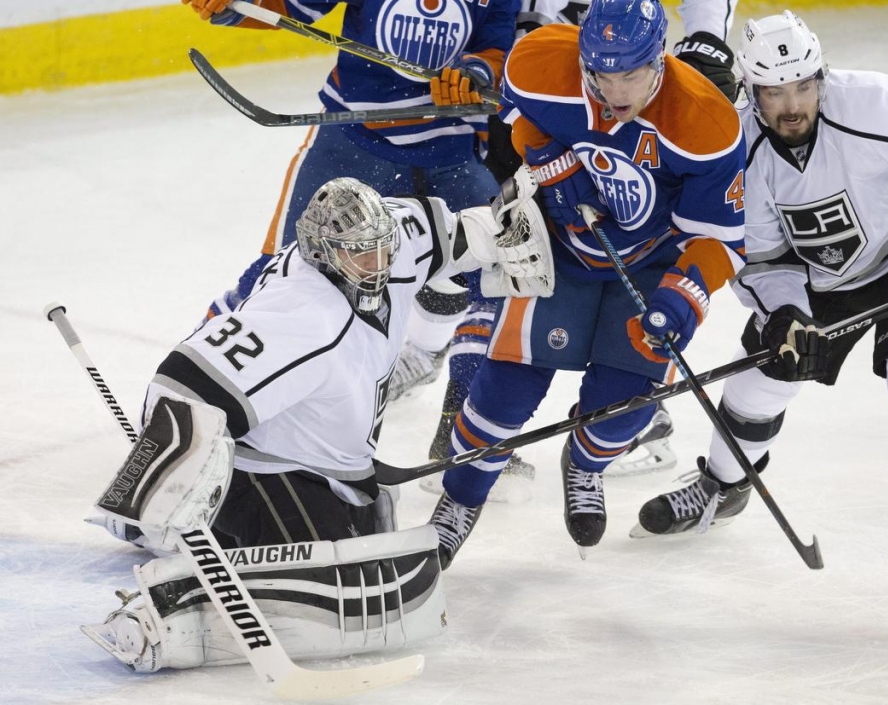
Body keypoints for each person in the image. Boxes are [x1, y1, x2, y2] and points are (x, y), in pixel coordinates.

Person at [634, 11, 888, 632]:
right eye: (774, 91)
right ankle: (722, 486)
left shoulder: (871, 103)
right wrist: (786, 314)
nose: (791, 105)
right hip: (823, 276)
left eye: (802, 87)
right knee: (760, 381)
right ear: (751, 91)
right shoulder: (743, 148)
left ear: (821, 76)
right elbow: (760, 256)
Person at [81, 176, 555, 671]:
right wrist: (147, 486)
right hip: (268, 471)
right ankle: (154, 617)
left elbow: (451, 235)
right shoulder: (303, 312)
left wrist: (494, 235)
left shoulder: (394, 236)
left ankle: (192, 535)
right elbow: (182, 383)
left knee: (375, 550)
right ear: (323, 253)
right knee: (347, 600)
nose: (377, 265)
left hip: (337, 467)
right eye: (358, 255)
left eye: (380, 249)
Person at [425, 0, 747, 568]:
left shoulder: (705, 121)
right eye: (601, 74)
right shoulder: (542, 60)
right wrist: (549, 159)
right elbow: (516, 114)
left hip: (650, 264)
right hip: (561, 247)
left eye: (632, 74)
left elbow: (718, 241)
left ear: (660, 58)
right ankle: (460, 499)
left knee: (625, 405)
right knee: (506, 387)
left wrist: (680, 302)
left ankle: (585, 463)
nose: (615, 91)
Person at [180, 0, 524, 408]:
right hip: (353, 141)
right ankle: (190, 397)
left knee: (503, 273)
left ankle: (467, 438)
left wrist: (476, 71)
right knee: (280, 272)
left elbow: (497, 49)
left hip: (450, 153)